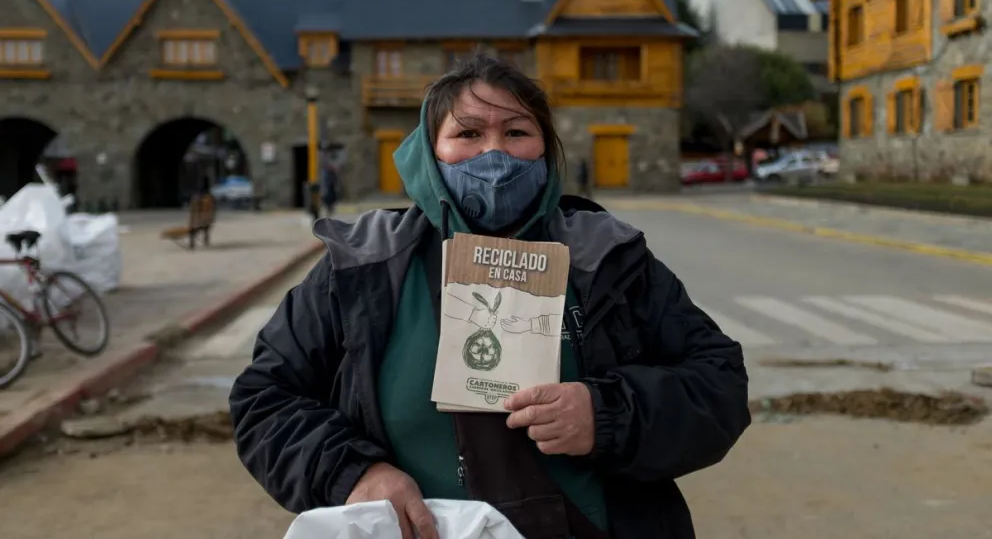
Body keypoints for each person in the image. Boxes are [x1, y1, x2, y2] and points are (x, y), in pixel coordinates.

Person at [229, 54, 750, 539]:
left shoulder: (608, 257)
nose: (494, 154)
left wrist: (607, 414)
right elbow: (265, 398)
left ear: (545, 149)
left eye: (517, 131)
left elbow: (719, 384)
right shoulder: (361, 265)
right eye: (468, 133)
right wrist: (354, 475)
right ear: (430, 151)